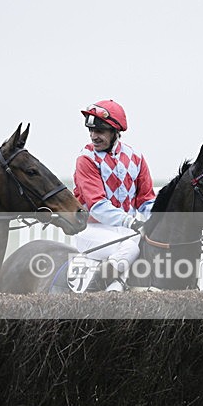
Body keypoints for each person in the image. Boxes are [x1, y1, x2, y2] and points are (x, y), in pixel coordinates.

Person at [72, 100, 156, 291]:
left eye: (100, 131)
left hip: (125, 232)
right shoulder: (86, 159)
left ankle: (116, 286)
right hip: (91, 229)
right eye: (90, 131)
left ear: (115, 131)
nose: (94, 136)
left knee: (148, 246)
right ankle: (95, 291)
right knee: (130, 248)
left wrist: (161, 220)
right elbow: (97, 205)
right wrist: (132, 222)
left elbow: (146, 200)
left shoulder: (136, 157)